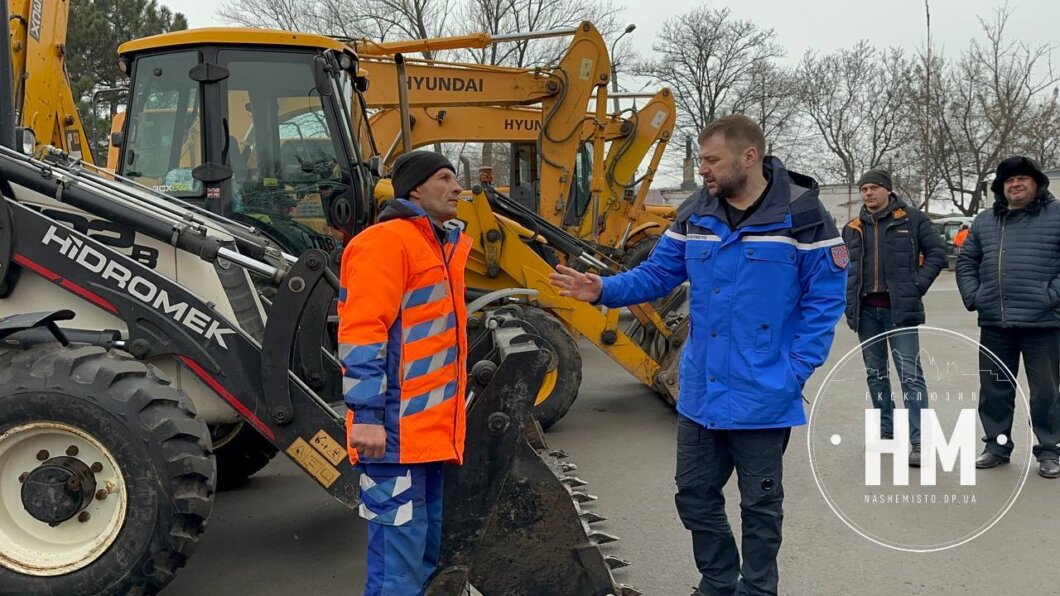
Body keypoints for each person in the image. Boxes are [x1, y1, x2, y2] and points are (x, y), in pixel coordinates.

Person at [550, 114, 846, 596]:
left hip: (764, 393)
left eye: (711, 160)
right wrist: (602, 287)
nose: (703, 170)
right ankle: (717, 580)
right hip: (701, 392)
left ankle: (757, 588)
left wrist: (794, 370)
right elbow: (656, 275)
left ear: (748, 157)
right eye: (702, 160)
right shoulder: (695, 212)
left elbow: (824, 302)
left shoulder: (804, 215)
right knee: (695, 496)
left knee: (760, 507)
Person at [337, 150, 472, 594]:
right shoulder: (387, 242)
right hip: (393, 435)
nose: (457, 188)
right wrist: (369, 418)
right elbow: (363, 334)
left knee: (422, 555)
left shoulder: (439, 244)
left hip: (426, 437)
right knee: (397, 565)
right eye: (444, 178)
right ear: (414, 188)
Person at [956, 156, 1060, 479]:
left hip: (1043, 323)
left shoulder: (1056, 215)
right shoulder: (986, 221)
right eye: (1008, 180)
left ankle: (1050, 451)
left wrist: (1050, 296)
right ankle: (997, 446)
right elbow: (966, 262)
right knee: (995, 390)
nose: (1014, 184)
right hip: (995, 322)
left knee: (1046, 392)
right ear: (1001, 188)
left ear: (1036, 182)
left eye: (1021, 179)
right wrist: (975, 296)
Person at [842, 168, 946, 466]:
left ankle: (919, 442)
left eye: (874, 188)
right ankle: (885, 433)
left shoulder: (912, 219)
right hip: (866, 313)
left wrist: (917, 285)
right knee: (876, 375)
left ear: (888, 190)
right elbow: (842, 268)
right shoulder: (852, 227)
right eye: (864, 189)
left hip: (899, 312)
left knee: (911, 377)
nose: (868, 194)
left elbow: (937, 253)